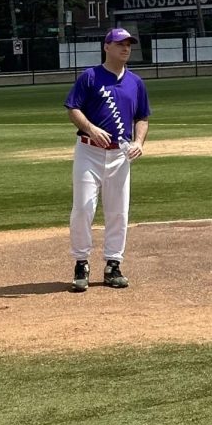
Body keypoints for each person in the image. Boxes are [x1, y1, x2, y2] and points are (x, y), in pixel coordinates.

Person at [64, 28, 151, 292]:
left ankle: (113, 264)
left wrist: (138, 142)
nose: (126, 48)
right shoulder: (90, 77)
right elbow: (73, 108)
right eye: (120, 44)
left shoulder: (135, 82)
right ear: (107, 47)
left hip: (119, 154)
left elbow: (142, 118)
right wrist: (90, 128)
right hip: (88, 151)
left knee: (118, 211)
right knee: (83, 208)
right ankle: (81, 262)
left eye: (129, 44)